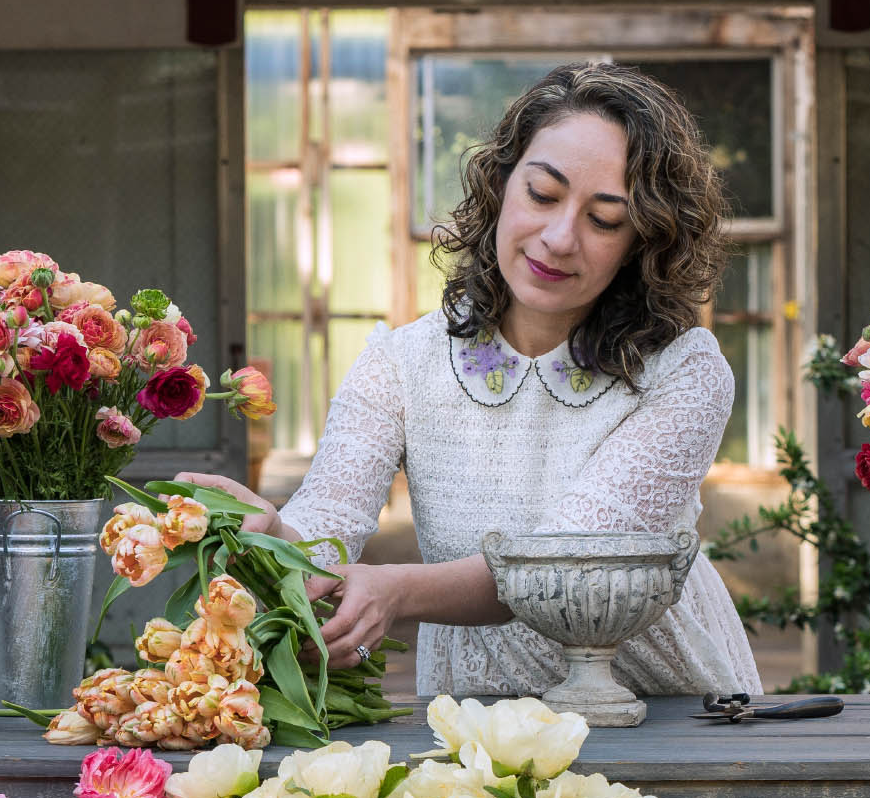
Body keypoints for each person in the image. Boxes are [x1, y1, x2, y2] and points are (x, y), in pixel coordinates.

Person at [180, 60, 760, 697]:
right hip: (474, 724)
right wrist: (270, 536)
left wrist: (396, 589)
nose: (560, 238)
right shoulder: (403, 362)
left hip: (665, 715)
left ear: (645, 240)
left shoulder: (684, 371)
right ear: (502, 184)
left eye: (604, 220)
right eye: (542, 194)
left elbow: (568, 567)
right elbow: (325, 525)